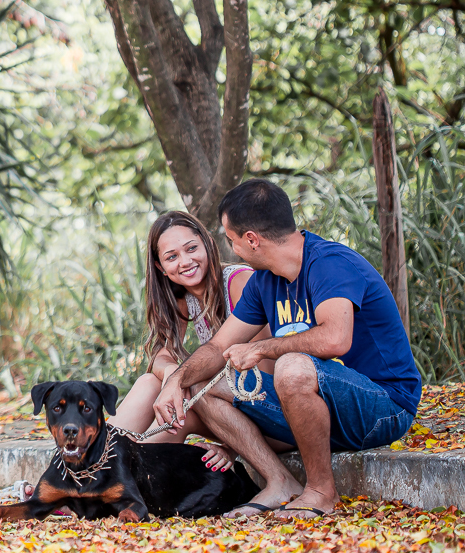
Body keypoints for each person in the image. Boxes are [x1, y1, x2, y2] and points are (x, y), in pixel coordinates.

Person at [153, 179, 421, 520]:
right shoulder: (265, 280)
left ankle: (321, 491)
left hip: (384, 406)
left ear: (251, 239)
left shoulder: (330, 263)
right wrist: (175, 381)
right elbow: (219, 345)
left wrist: (263, 348)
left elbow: (336, 339)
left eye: (232, 240)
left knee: (292, 366)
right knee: (199, 383)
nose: (233, 250)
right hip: (321, 411)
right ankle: (280, 481)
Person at [107, 210, 265, 471]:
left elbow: (266, 372)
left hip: (268, 412)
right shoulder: (184, 297)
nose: (185, 261)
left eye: (191, 248)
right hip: (227, 408)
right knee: (151, 383)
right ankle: (85, 478)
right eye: (172, 257)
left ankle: (104, 481)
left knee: (192, 386)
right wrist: (172, 375)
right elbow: (160, 353)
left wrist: (234, 446)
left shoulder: (240, 281)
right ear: (161, 267)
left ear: (208, 244)